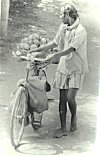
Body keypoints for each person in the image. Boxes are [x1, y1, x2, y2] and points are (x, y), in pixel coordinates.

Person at [29, 3, 89, 138]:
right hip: (63, 66)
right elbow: (55, 43)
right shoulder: (63, 27)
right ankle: (62, 128)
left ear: (68, 15)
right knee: (62, 98)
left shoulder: (81, 31)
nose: (59, 16)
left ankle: (74, 116)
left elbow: (71, 49)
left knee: (70, 98)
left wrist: (54, 56)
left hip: (76, 68)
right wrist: (37, 50)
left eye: (61, 14)